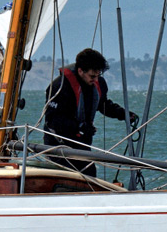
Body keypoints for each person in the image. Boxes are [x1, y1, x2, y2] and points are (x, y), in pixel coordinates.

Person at [43, 48, 136, 177]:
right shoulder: (59, 86)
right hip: (58, 144)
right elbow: (52, 120)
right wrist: (79, 127)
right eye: (92, 76)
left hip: (82, 143)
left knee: (89, 175)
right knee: (69, 177)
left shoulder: (98, 83)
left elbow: (103, 104)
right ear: (80, 70)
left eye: (98, 75)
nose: (96, 80)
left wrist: (123, 114)